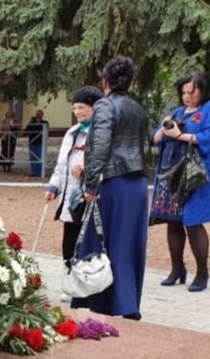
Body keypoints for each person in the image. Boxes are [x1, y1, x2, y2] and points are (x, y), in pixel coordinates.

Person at [73, 56, 149, 320]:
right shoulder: (138, 108)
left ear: (105, 82)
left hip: (113, 183)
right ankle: (128, 304)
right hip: (137, 184)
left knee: (102, 241)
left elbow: (101, 146)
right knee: (129, 244)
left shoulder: (105, 105)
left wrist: (91, 184)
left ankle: (101, 301)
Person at [149, 73, 210, 292]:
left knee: (192, 222)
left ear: (203, 90)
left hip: (194, 175)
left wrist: (179, 134)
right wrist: (164, 128)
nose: (187, 96)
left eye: (192, 91)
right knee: (172, 221)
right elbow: (155, 138)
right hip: (171, 174)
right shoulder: (177, 112)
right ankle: (177, 269)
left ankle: (202, 273)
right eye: (184, 92)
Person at [45, 87, 103, 282]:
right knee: (70, 235)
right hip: (71, 196)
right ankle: (70, 276)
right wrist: (54, 186)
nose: (78, 112)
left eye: (82, 107)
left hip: (91, 194)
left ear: (94, 107)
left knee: (87, 237)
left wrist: (87, 174)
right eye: (75, 107)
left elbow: (105, 163)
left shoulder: (101, 132)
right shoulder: (73, 132)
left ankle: (88, 278)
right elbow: (62, 164)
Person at [26, 109, 50, 176]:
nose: (38, 115)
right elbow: (27, 129)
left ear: (42, 115)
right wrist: (31, 122)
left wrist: (39, 122)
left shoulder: (45, 122)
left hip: (40, 142)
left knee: (40, 157)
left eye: (39, 114)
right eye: (37, 114)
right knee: (32, 157)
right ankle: (33, 171)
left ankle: (40, 172)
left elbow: (46, 130)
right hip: (32, 141)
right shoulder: (32, 122)